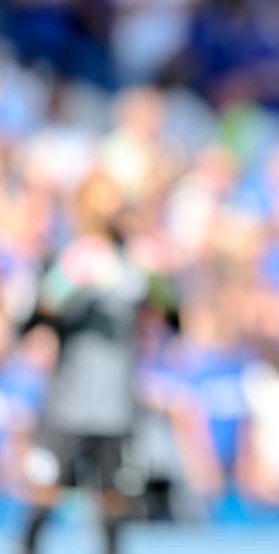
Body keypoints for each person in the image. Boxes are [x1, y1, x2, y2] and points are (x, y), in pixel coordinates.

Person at [17, 170, 148, 554]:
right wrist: (65, 281)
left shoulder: (131, 259)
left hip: (116, 401)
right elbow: (33, 321)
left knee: (113, 495)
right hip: (69, 401)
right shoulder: (64, 256)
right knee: (46, 489)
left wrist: (149, 276)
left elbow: (172, 315)